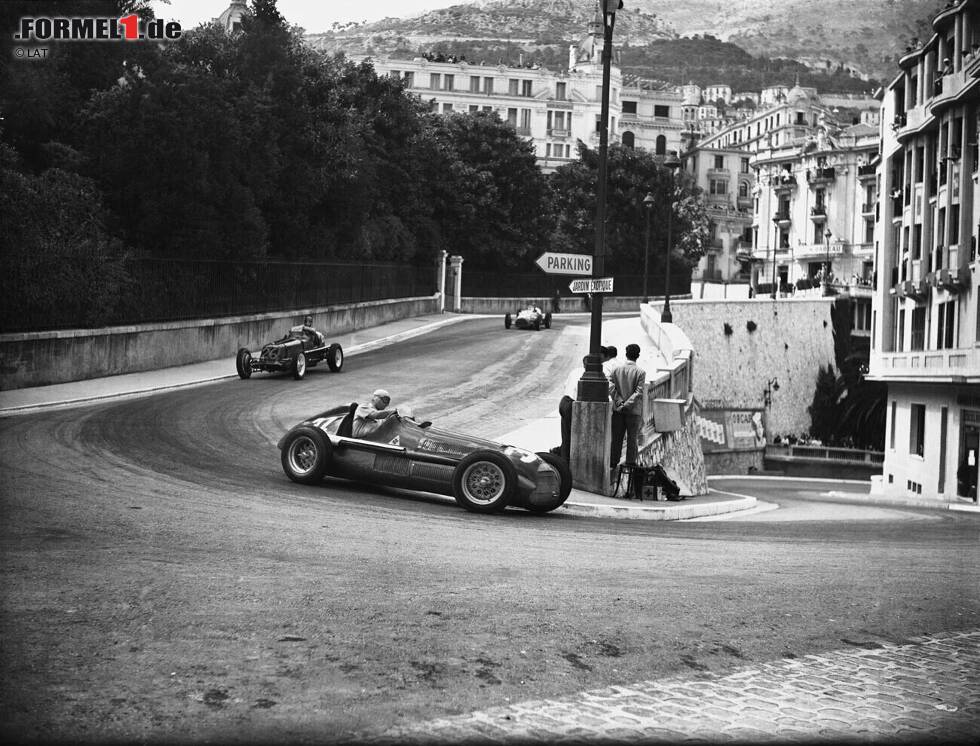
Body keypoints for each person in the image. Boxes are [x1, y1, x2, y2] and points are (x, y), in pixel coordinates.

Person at [608, 343, 646, 467]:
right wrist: (628, 404)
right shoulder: (640, 372)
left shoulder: (616, 370)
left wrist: (620, 402)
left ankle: (613, 462)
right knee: (632, 438)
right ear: (638, 356)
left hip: (618, 410)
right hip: (633, 411)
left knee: (617, 438)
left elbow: (611, 386)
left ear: (626, 354)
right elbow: (639, 392)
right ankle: (630, 463)